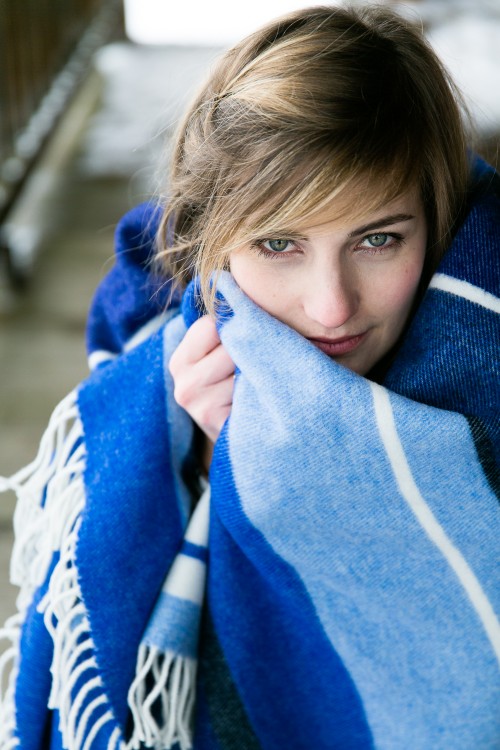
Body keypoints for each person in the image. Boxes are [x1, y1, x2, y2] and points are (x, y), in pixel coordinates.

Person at [0, 4, 498, 749]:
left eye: (378, 238)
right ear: (214, 243)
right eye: (278, 243)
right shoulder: (166, 353)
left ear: (438, 215)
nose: (332, 306)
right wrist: (202, 464)